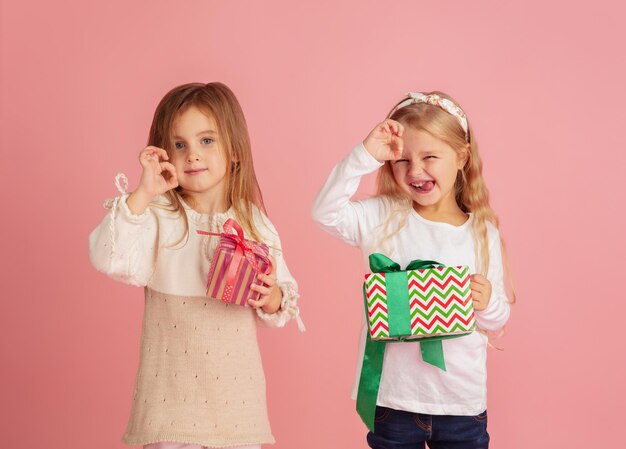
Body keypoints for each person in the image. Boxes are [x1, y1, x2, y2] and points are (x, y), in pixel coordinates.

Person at [90, 82, 303, 449]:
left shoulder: (253, 222)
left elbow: (281, 300)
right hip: (169, 403)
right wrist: (143, 194)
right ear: (163, 152)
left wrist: (270, 296)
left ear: (234, 150)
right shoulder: (157, 215)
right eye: (179, 144)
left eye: (206, 141)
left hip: (234, 406)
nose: (192, 155)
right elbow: (111, 259)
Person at [312, 91, 512, 448]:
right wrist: (364, 156)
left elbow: (495, 320)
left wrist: (487, 302)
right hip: (394, 400)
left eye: (430, 157)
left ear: (461, 157)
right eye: (402, 160)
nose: (415, 170)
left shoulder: (482, 234)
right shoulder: (381, 216)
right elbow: (324, 212)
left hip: (461, 404)